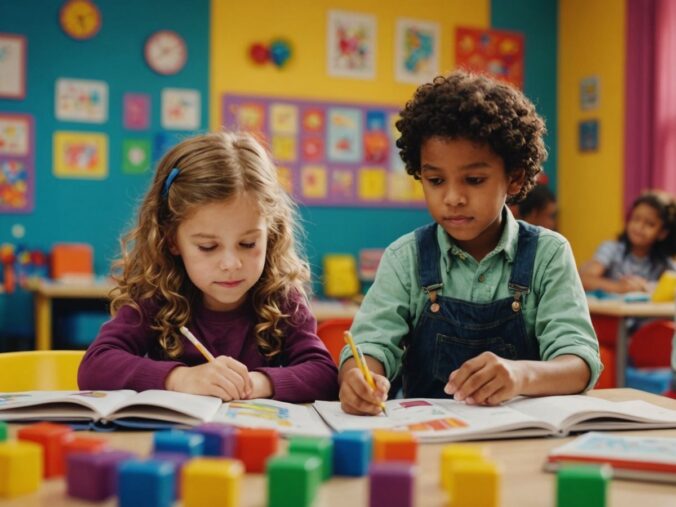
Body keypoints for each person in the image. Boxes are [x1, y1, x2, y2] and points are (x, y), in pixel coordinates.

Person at [338, 71, 601, 415]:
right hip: (425, 435)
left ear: (515, 177)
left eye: (474, 180)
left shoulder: (548, 254)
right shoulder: (406, 258)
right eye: (435, 180)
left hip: (524, 437)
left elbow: (578, 361)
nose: (452, 198)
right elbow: (370, 346)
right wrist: (359, 378)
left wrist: (521, 375)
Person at [78, 132, 338, 403]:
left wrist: (254, 383)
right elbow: (95, 366)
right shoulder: (155, 296)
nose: (231, 264)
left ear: (270, 234)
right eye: (207, 247)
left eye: (248, 243)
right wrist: (181, 379)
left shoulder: (282, 298)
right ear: (171, 240)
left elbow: (323, 374)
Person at [580, 191, 676, 294]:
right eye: (636, 219)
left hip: (643, 310)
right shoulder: (611, 250)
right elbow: (584, 279)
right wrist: (618, 287)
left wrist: (647, 287)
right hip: (609, 309)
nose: (639, 227)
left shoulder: (663, 262)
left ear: (662, 233)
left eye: (650, 224)